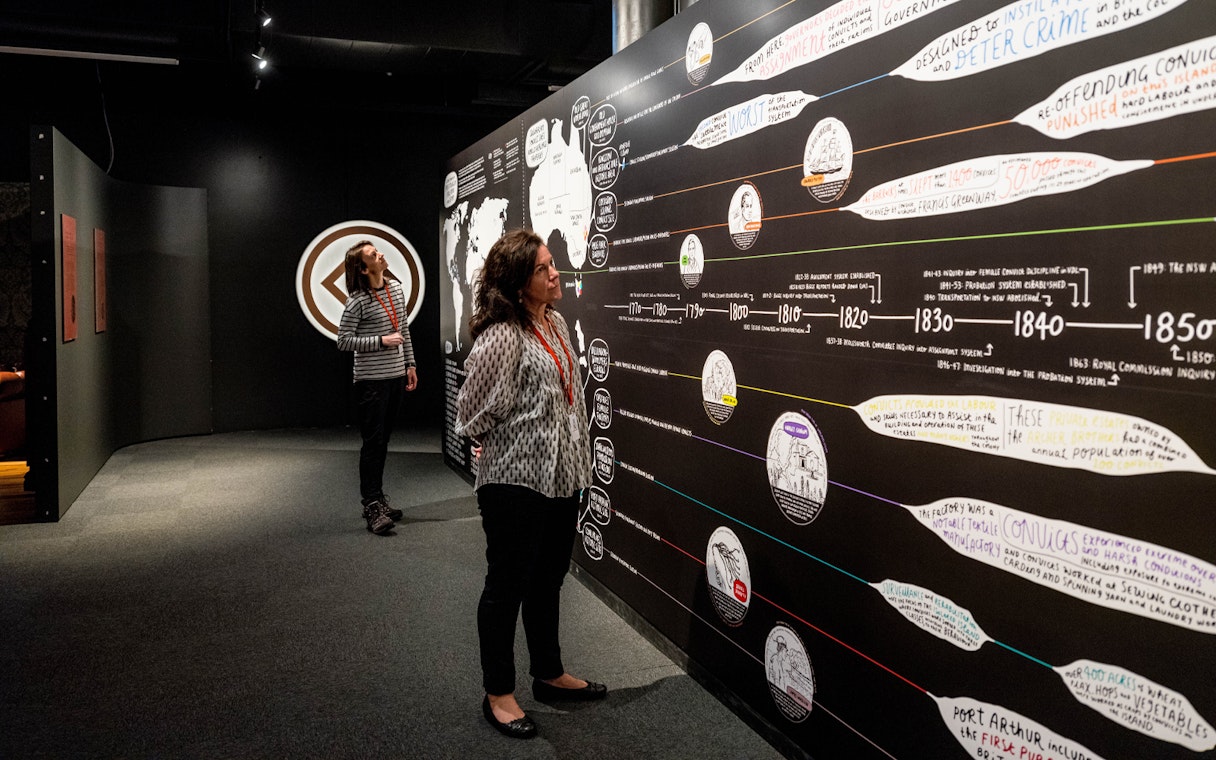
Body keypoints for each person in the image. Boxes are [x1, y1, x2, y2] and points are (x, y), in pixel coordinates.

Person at [455, 229, 605, 740]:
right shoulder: (502, 334)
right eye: (544, 268)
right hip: (515, 482)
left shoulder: (556, 321)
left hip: (563, 478)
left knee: (548, 581)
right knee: (506, 588)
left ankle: (549, 673)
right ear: (520, 283)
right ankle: (498, 694)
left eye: (552, 264)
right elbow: (470, 413)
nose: (555, 272)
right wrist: (498, 437)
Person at [337, 239, 418, 535]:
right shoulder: (357, 300)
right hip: (371, 382)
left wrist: (410, 365)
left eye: (378, 251)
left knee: (382, 441)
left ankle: (379, 498)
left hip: (395, 376)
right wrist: (380, 341)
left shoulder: (395, 289)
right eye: (373, 254)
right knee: (373, 443)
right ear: (363, 266)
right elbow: (343, 340)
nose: (381, 255)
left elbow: (404, 330)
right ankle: (371, 505)